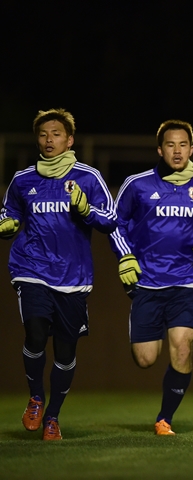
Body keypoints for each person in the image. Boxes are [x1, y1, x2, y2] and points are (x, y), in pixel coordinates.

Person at [109, 119, 193, 435]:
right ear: (160, 149)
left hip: (187, 281)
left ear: (191, 149)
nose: (176, 151)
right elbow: (115, 224)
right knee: (146, 358)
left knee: (182, 347)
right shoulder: (137, 185)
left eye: (182, 145)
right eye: (170, 145)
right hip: (147, 281)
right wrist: (125, 256)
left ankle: (165, 418)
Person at [0, 109, 117, 440]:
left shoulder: (88, 177)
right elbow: (8, 214)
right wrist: (5, 226)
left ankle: (53, 416)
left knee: (65, 352)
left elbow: (110, 220)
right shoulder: (23, 179)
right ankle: (36, 397)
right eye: (43, 134)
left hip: (74, 278)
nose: (48, 140)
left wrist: (85, 210)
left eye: (55, 134)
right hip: (31, 268)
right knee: (36, 333)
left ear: (69, 140)